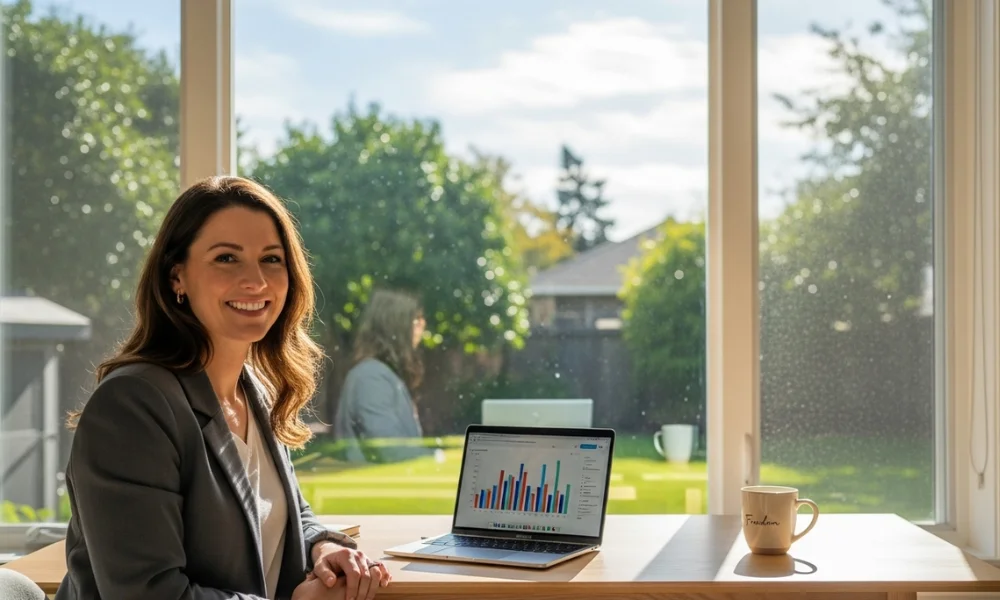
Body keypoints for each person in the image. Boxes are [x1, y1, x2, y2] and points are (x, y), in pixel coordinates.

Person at [55, 176, 391, 600]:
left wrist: (322, 546)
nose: (256, 280)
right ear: (177, 277)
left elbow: (283, 512)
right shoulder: (132, 405)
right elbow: (148, 594)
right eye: (227, 258)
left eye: (271, 259)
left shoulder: (255, 391)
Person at [333, 289, 432, 463]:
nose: (422, 326)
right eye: (416, 319)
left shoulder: (382, 375)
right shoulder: (371, 377)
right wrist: (442, 460)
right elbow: (391, 451)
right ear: (395, 325)